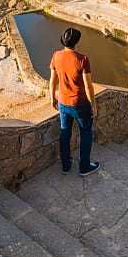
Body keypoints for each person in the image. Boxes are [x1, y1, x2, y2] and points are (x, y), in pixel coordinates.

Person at [48, 27, 100, 176]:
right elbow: (89, 86)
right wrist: (93, 105)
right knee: (86, 134)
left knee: (65, 133)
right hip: (80, 104)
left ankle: (65, 165)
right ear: (76, 42)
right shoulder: (82, 59)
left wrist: (52, 98)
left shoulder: (56, 56)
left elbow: (52, 81)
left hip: (63, 103)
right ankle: (84, 167)